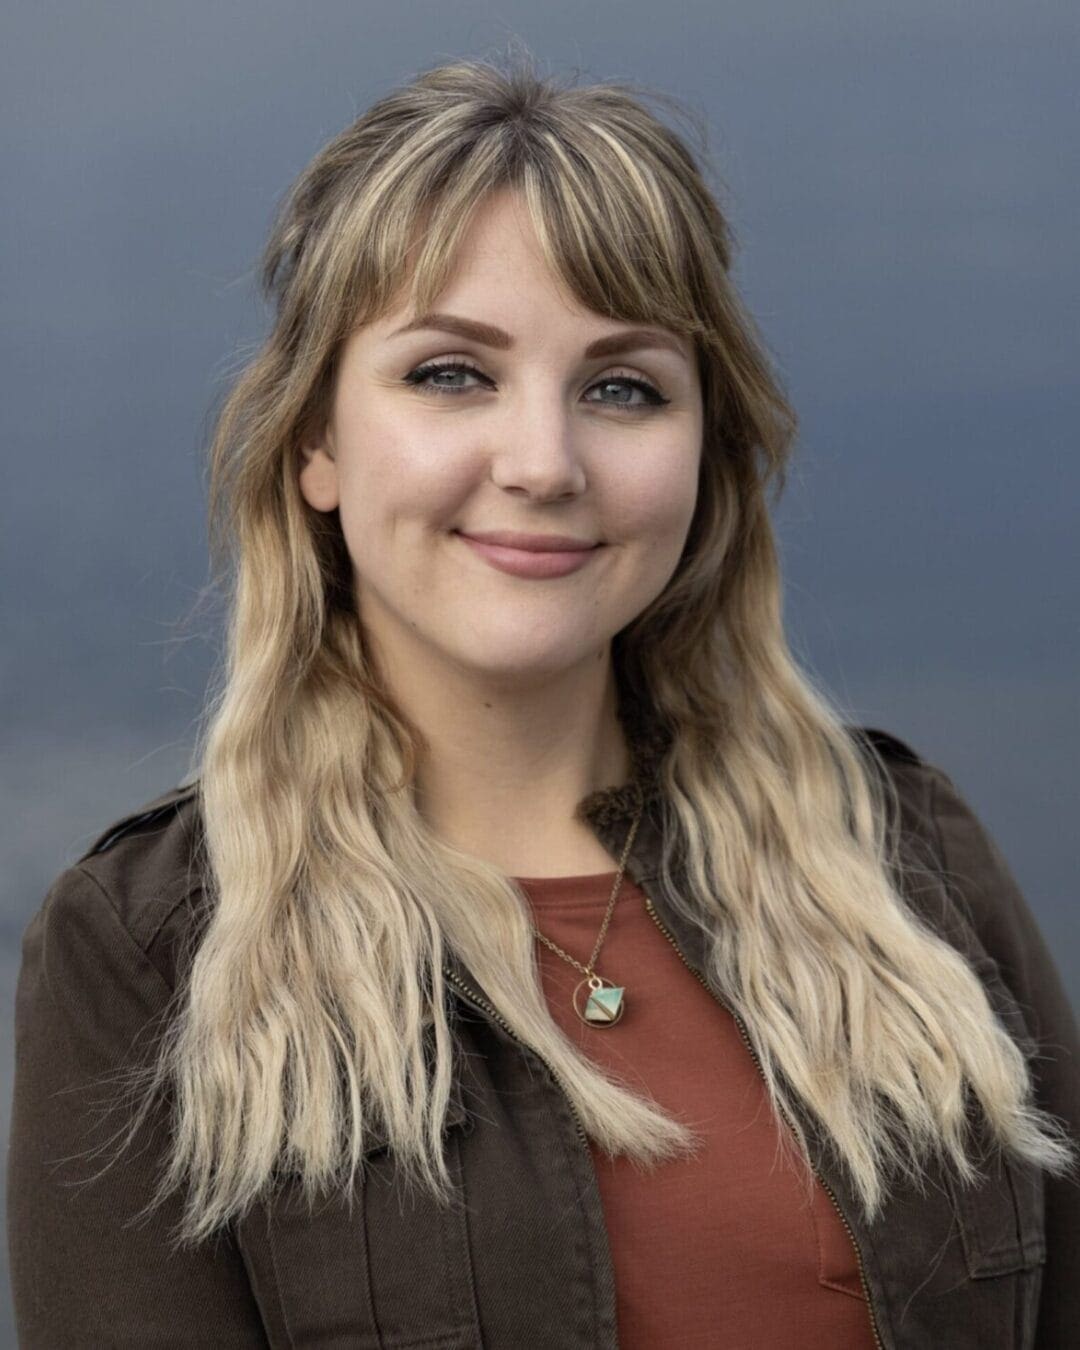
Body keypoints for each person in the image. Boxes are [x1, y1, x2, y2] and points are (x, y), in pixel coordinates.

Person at [8, 52, 1078, 1350]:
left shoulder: (908, 853)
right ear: (319, 445)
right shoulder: (148, 951)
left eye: (623, 386)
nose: (544, 462)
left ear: (705, 456)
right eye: (452, 373)